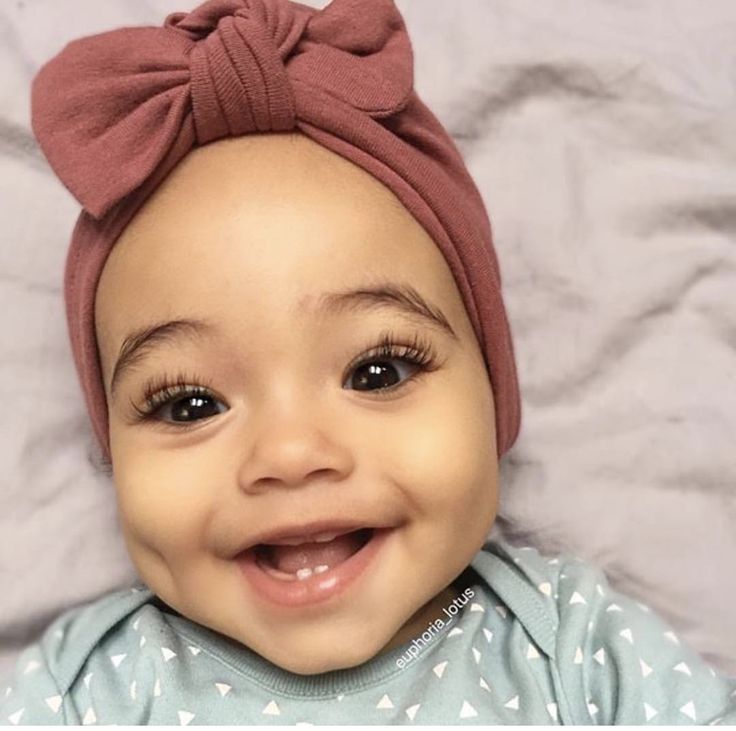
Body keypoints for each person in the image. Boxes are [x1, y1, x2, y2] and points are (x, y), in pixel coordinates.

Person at [2, 0, 735, 725]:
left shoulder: (573, 650)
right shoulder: (89, 690)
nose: (290, 454)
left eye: (377, 371)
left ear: (493, 399)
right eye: (189, 404)